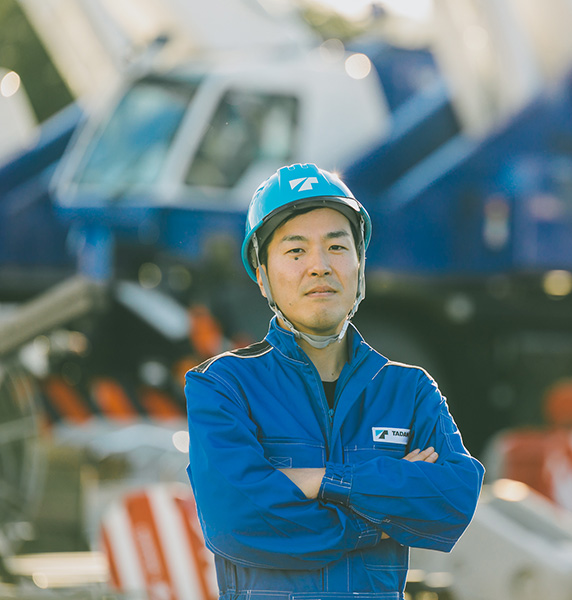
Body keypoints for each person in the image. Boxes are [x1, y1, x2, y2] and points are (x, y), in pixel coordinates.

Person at [185, 163, 484, 600]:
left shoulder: (409, 391)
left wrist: (319, 480)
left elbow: (453, 500)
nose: (319, 266)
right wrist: (381, 515)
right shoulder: (223, 387)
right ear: (262, 276)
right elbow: (237, 520)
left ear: (359, 267)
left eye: (337, 247)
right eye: (296, 251)